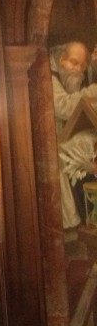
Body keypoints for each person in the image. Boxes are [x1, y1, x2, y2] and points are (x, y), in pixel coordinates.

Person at [50, 41, 97, 228]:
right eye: (73, 62)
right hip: (56, 145)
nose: (78, 69)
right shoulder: (49, 76)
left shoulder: (78, 76)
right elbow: (64, 106)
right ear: (61, 60)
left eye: (82, 65)